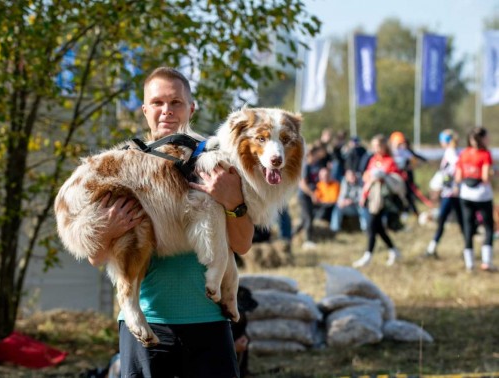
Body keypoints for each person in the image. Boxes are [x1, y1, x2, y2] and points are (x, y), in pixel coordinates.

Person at [88, 67, 254, 377]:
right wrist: (109, 229)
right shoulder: (122, 168)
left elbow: (243, 244)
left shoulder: (215, 163)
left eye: (176, 102)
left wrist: (234, 202)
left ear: (191, 108)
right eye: (158, 102)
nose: (167, 111)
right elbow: (94, 256)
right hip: (147, 324)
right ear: (145, 110)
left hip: (208, 320)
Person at [353, 134, 402, 268]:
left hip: (382, 199)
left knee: (371, 226)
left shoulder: (390, 161)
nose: (375, 149)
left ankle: (367, 256)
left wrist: (382, 177)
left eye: (377, 146)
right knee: (378, 228)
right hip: (371, 197)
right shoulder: (373, 159)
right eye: (373, 146)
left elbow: (395, 180)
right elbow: (366, 176)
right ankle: (394, 250)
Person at [455, 126, 495, 272]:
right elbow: (485, 177)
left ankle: (470, 264)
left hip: (466, 193)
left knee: (468, 227)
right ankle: (486, 262)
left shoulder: (463, 153)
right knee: (488, 227)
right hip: (482, 194)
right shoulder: (485, 154)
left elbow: (458, 177)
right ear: (483, 138)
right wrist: (492, 173)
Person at [423, 129, 464, 258]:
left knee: (443, 220)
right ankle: (468, 248)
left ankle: (431, 249)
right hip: (453, 192)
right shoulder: (457, 151)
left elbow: (458, 167)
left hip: (450, 193)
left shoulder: (451, 152)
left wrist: (455, 184)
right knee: (461, 221)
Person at [294, 143, 327, 250]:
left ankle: (289, 236)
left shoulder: (316, 165)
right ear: (311, 155)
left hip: (311, 195)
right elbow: (302, 184)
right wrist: (312, 194)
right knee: (308, 218)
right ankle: (308, 240)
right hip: (304, 196)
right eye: (316, 155)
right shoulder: (306, 166)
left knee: (304, 220)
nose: (318, 157)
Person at [330, 169, 367, 233]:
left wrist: (351, 201)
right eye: (350, 176)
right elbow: (341, 196)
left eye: (353, 175)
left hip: (358, 206)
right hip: (349, 207)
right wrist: (342, 202)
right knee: (338, 207)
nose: (352, 177)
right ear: (346, 177)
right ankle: (334, 229)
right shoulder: (344, 182)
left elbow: (361, 198)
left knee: (363, 208)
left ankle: (366, 229)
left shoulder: (360, 182)